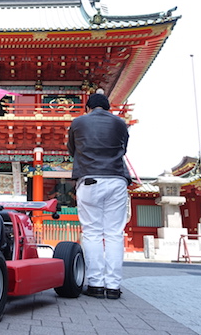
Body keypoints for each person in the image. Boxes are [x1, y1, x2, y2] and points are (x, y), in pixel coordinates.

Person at [67, 92, 131, 300]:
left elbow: (72, 150)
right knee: (114, 233)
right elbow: (124, 149)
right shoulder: (120, 123)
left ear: (87, 108)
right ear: (107, 108)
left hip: (89, 180)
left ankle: (95, 284)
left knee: (92, 232)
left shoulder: (78, 123)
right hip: (116, 179)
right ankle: (113, 286)